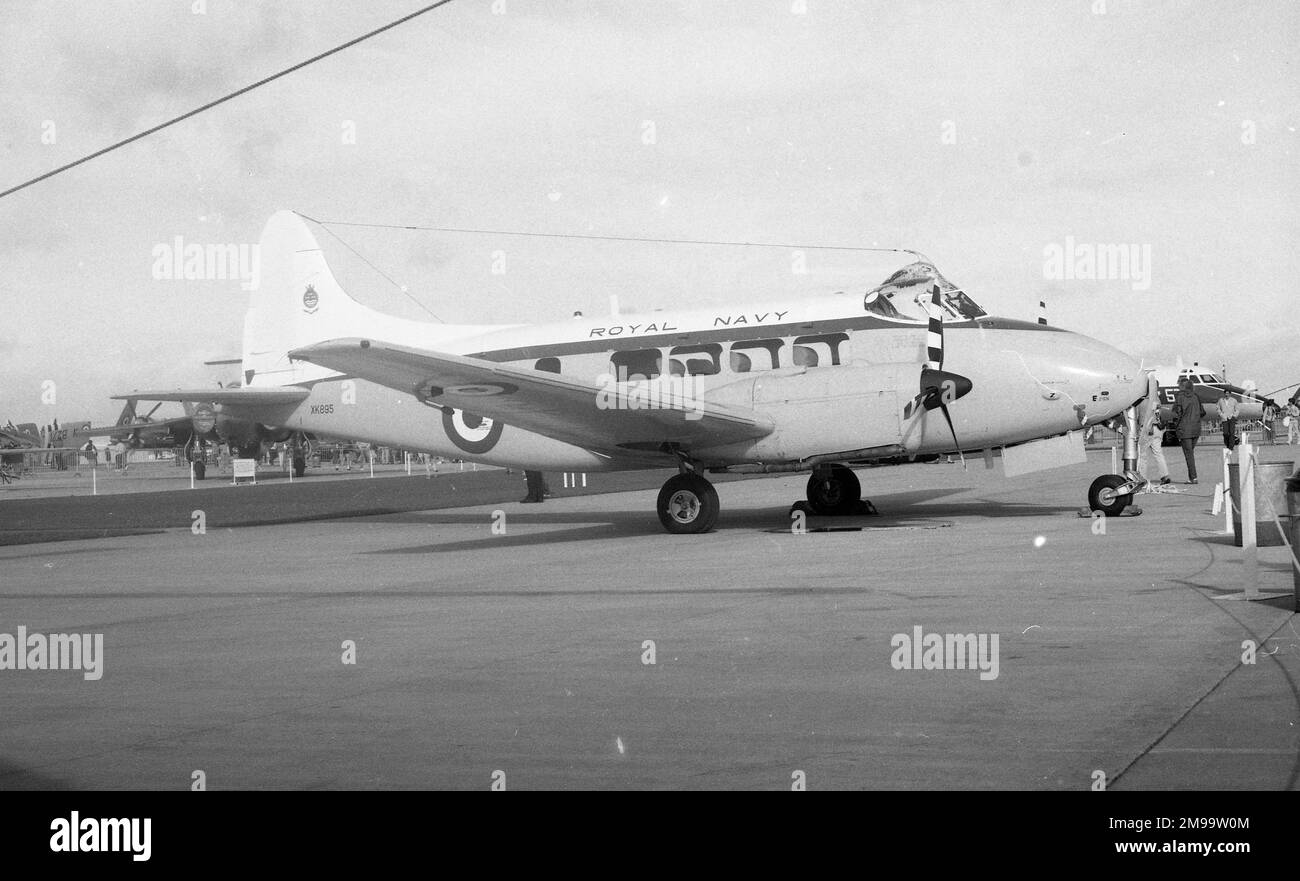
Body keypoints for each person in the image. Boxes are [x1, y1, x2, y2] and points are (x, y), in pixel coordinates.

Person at [1170, 379, 1204, 484]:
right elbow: (1202, 412)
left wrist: (1176, 425)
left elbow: (1176, 414)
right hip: (1196, 429)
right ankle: (1192, 477)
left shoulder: (1180, 397)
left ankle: (1193, 478)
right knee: (1190, 453)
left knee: (1189, 454)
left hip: (1184, 430)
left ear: (1182, 386)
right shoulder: (1196, 396)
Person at [1136, 402, 1171, 488]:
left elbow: (1137, 417)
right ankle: (1165, 475)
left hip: (1146, 428)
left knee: (1142, 455)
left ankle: (1142, 478)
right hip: (1158, 428)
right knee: (1158, 453)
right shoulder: (1156, 399)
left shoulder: (1141, 402)